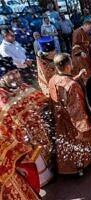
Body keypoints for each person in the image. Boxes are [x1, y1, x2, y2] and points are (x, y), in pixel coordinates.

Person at [0, 56, 54, 186]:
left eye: (16, 72)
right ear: (2, 78)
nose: (15, 76)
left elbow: (39, 99)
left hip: (38, 129)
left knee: (45, 155)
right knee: (35, 164)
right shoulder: (1, 98)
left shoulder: (22, 86)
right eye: (10, 74)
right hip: (22, 139)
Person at [48, 53, 91, 175]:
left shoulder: (53, 79)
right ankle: (80, 167)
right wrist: (83, 127)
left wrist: (77, 77)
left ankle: (70, 168)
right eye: (71, 62)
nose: (72, 64)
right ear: (68, 66)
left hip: (60, 119)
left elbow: (63, 91)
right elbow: (76, 109)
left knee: (67, 143)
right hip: (74, 122)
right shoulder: (72, 85)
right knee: (79, 141)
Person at [71, 18, 91, 82]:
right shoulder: (77, 32)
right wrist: (80, 52)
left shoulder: (87, 33)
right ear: (86, 25)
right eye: (90, 27)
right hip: (79, 57)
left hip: (87, 55)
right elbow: (74, 45)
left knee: (90, 70)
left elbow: (88, 43)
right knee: (84, 73)